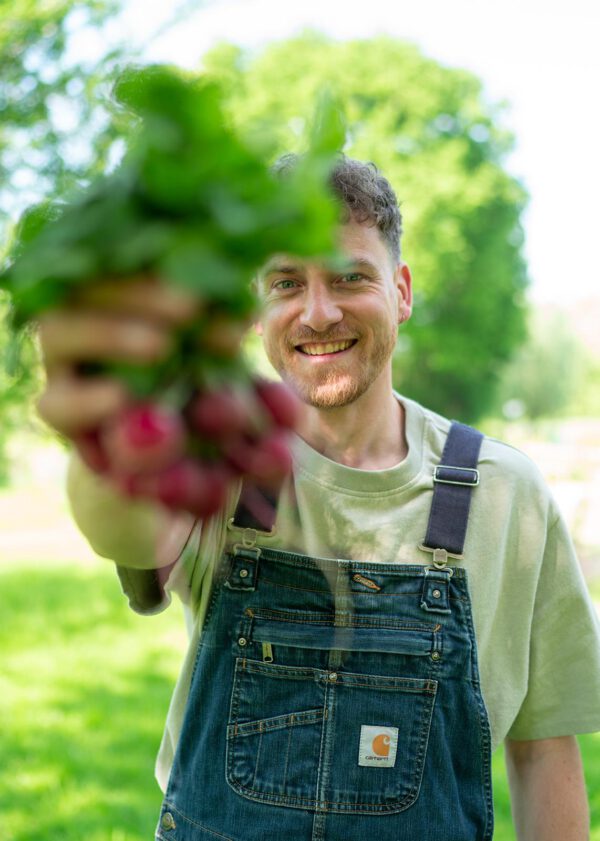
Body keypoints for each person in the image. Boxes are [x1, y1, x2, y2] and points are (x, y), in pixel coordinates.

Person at [37, 155, 600, 841]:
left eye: (349, 277)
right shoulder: (221, 459)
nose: (318, 311)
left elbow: (543, 750)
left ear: (401, 290)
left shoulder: (505, 493)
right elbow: (118, 525)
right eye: (286, 282)